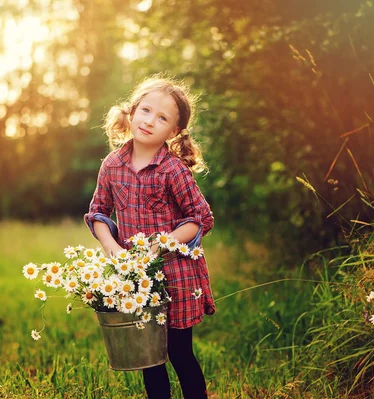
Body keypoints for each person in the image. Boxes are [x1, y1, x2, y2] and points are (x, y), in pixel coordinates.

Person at [84, 74, 216, 399]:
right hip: (138, 277)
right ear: (132, 112)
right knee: (149, 357)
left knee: (179, 353)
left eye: (162, 118)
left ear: (173, 131)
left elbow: (200, 218)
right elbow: (98, 213)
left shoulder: (173, 170)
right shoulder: (112, 165)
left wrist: (164, 243)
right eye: (145, 110)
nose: (149, 121)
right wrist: (112, 247)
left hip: (175, 274)